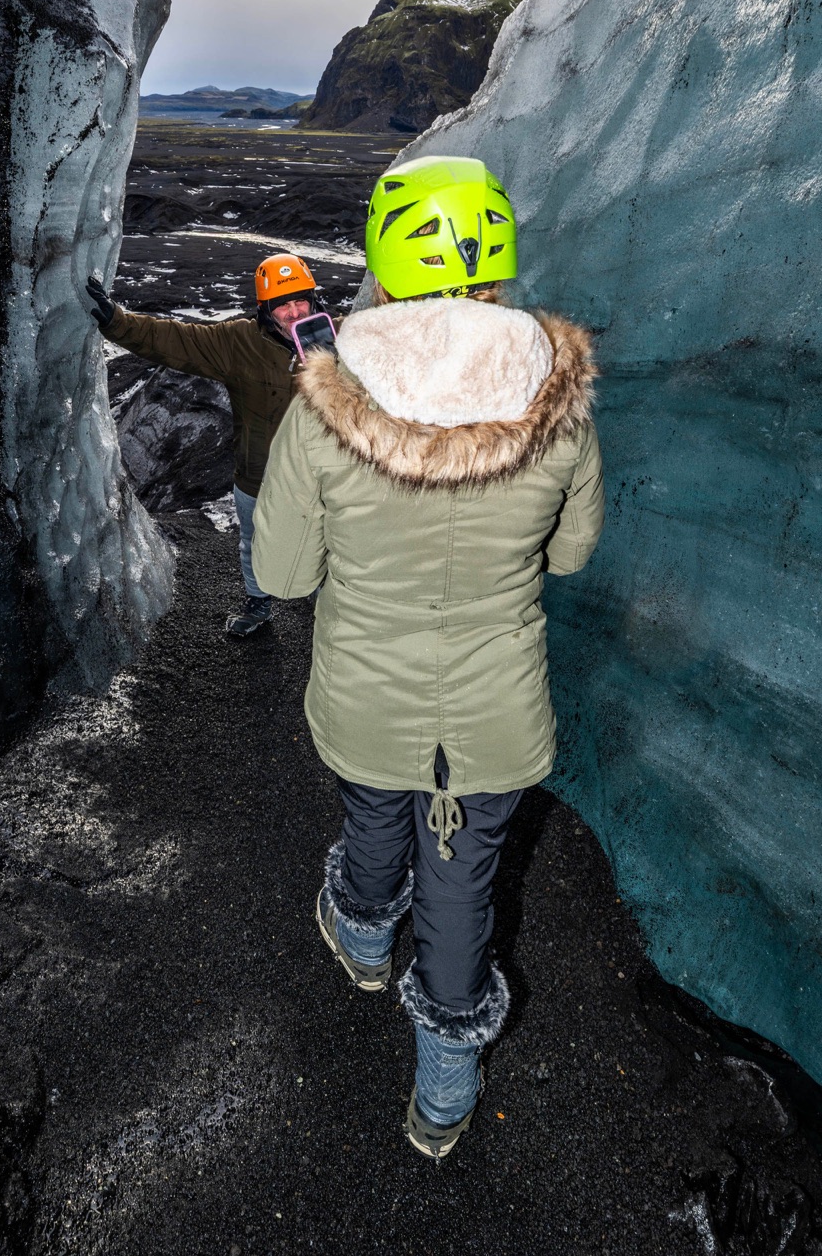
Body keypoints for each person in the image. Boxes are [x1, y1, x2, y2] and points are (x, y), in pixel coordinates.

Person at [252, 156, 604, 1159]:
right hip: (496, 713)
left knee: (373, 818)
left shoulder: (326, 400)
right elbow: (572, 554)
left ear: (384, 259)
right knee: (463, 882)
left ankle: (362, 937)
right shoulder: (560, 399)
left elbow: (279, 571)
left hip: (364, 697)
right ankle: (445, 1087)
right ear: (497, 251)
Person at [86, 255, 324, 637]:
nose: (294, 312)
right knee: (254, 544)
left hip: (321, 481)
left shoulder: (341, 340)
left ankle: (329, 615)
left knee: (329, 551)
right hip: (257, 476)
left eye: (302, 300)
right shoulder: (239, 342)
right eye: (282, 303)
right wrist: (117, 322)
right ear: (265, 309)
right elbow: (176, 339)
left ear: (315, 301)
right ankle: (258, 604)